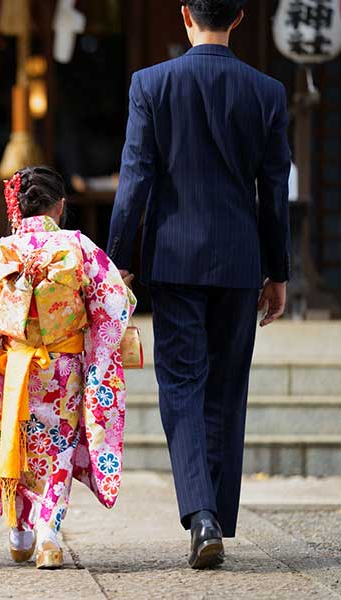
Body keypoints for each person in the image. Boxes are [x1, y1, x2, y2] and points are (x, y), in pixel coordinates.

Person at [107, 0, 291, 569]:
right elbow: (273, 191)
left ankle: (201, 514)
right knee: (227, 389)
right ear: (238, 18)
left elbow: (135, 178)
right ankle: (215, 517)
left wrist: (117, 262)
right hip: (239, 260)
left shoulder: (151, 84)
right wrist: (278, 271)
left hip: (174, 259)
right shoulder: (267, 91)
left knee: (182, 386)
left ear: (185, 13)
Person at [0, 166, 135, 569]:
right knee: (57, 449)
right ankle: (48, 534)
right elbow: (113, 302)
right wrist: (124, 294)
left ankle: (19, 531)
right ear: (60, 206)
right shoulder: (77, 246)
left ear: (16, 208)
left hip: (15, 367)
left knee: (15, 440)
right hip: (63, 369)